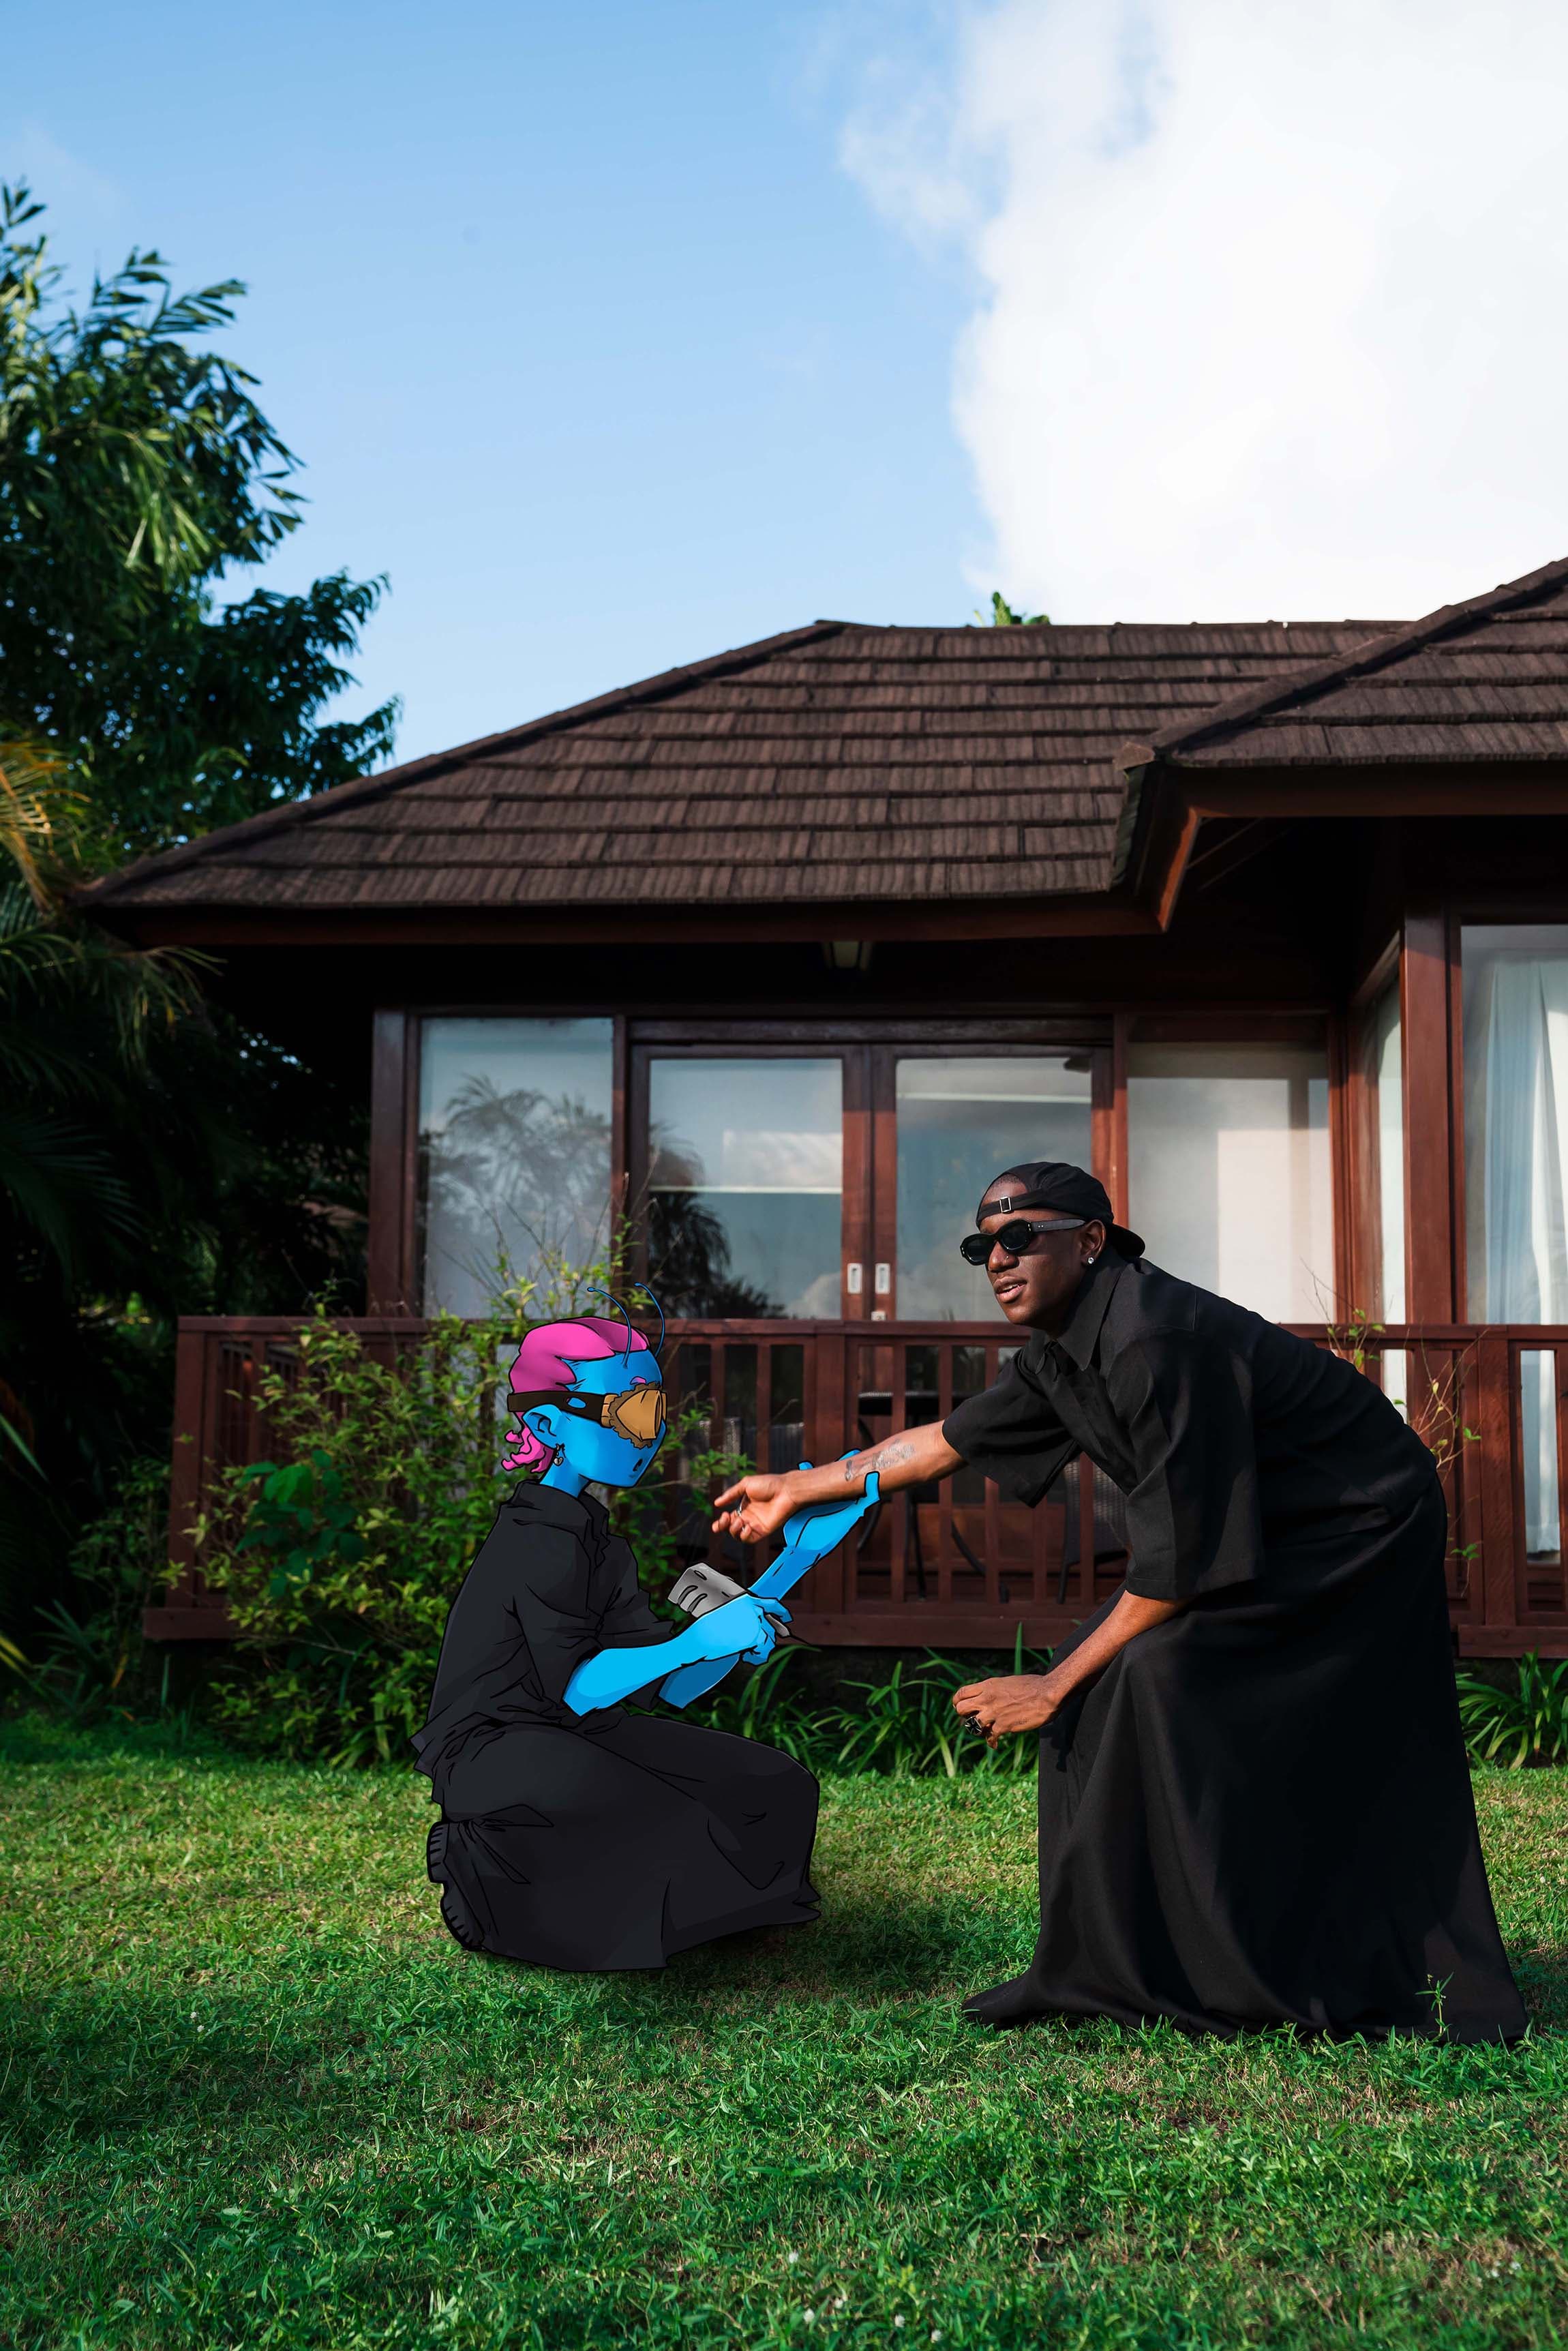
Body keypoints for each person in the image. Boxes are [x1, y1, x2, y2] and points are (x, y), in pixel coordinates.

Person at [713, 1163, 1525, 2043]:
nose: (999, 1259)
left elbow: (1177, 1565)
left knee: (1157, 1677)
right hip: (1266, 1525)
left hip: (1355, 1526)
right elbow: (941, 1444)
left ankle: (1235, 1966)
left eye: (1022, 1236)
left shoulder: (1152, 1339)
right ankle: (1104, 1968)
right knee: (1123, 1680)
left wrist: (1053, 1683)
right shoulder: (1063, 1352)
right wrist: (800, 1486)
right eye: (983, 1245)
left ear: (1092, 1240)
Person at [416, 1311, 819, 1972]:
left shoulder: (599, 1541)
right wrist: (696, 1641)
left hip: (580, 1730)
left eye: (655, 1408)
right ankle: (480, 1881)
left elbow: (666, 1687)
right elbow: (578, 1685)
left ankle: (726, 1913)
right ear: (547, 1423)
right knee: (676, 1824)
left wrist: (734, 1628)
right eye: (629, 1410)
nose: (650, 1432)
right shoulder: (533, 1541)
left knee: (777, 1786)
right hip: (493, 1745)